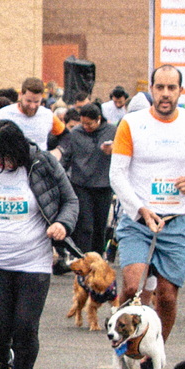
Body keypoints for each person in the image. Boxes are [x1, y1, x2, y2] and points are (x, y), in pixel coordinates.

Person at [108, 64, 185, 339]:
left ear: (181, 91)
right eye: (160, 87)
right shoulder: (131, 124)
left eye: (172, 88)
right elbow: (116, 174)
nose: (165, 94)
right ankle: (126, 343)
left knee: (166, 296)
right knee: (133, 287)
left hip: (175, 221)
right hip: (138, 219)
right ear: (151, 89)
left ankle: (154, 354)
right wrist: (140, 209)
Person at [0, 119, 72, 369]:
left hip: (34, 262)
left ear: (14, 150)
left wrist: (62, 224)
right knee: (0, 331)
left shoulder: (42, 164)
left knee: (26, 328)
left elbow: (70, 200)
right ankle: (3, 361)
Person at [56, 102, 114, 258]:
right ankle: (84, 258)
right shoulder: (75, 133)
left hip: (103, 185)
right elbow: (67, 156)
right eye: (83, 123)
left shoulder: (112, 131)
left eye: (89, 124)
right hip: (81, 184)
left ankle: (98, 258)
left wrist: (112, 150)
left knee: (100, 226)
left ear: (99, 119)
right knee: (85, 226)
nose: (86, 127)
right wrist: (59, 176)